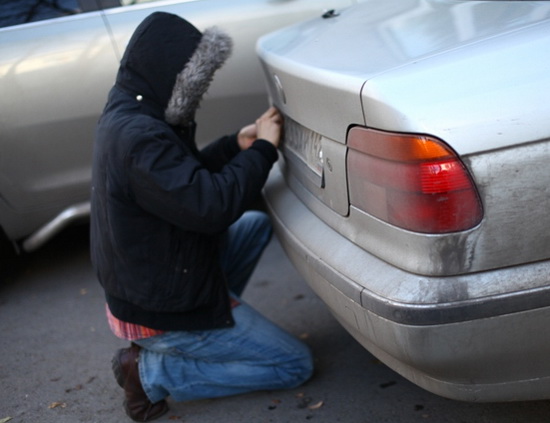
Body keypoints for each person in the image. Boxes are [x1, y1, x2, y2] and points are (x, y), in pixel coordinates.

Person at [90, 11, 313, 422]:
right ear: (172, 74)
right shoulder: (141, 137)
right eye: (195, 80)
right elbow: (211, 207)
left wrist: (234, 146)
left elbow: (179, 183)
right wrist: (263, 150)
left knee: (253, 225)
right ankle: (151, 371)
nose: (199, 91)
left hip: (152, 280)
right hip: (161, 309)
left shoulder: (131, 114)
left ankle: (211, 329)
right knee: (293, 365)